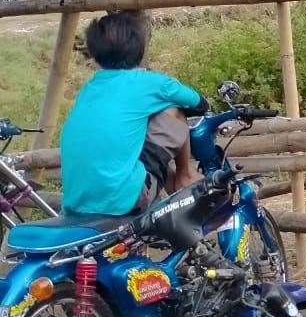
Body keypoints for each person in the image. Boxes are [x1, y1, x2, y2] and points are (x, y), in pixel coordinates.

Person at [59, 12, 205, 216]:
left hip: (76, 203)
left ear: (94, 52)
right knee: (174, 110)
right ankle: (185, 176)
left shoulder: (87, 89)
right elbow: (198, 102)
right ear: (140, 47)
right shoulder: (151, 82)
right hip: (123, 200)